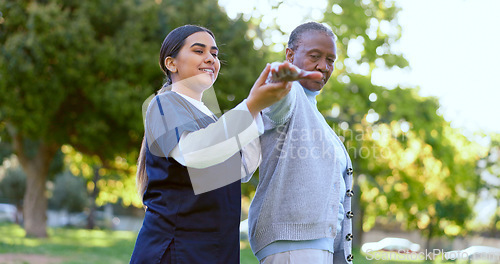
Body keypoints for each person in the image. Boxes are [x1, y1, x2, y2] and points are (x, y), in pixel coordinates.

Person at [130, 25, 321, 264]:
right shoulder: (164, 104)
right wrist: (250, 105)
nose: (210, 58)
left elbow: (242, 167)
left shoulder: (212, 121)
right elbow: (195, 153)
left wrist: (263, 104)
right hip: (176, 251)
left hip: (214, 251)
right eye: (199, 51)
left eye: (215, 53)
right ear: (171, 63)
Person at [248, 22, 355, 263]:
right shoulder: (288, 93)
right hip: (292, 247)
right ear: (290, 55)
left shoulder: (315, 114)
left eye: (330, 60)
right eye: (315, 56)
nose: (323, 66)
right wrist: (281, 77)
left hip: (319, 247)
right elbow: (277, 104)